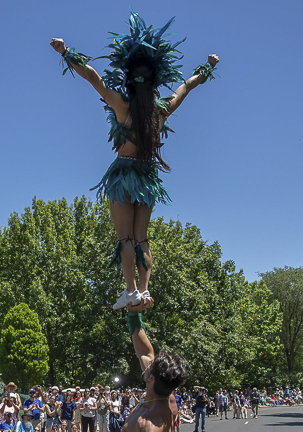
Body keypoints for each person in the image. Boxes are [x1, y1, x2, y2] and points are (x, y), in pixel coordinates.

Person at [53, 14, 216, 317]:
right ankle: (145, 288)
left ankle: (130, 291)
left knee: (125, 238)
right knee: (142, 237)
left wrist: (65, 52)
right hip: (147, 177)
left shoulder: (122, 105)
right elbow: (186, 87)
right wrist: (208, 66)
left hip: (123, 173)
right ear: (154, 83)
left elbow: (94, 78)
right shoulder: (161, 111)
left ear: (129, 81)